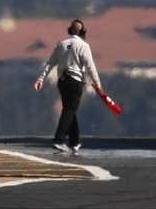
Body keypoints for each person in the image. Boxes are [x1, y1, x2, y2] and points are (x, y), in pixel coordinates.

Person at [34, 20, 106, 156]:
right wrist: (98, 85)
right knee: (69, 109)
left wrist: (41, 78)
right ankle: (59, 139)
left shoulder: (61, 44)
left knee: (70, 109)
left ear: (70, 30)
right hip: (75, 82)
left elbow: (50, 63)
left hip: (62, 81)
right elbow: (91, 67)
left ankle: (74, 142)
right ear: (83, 31)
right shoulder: (83, 46)